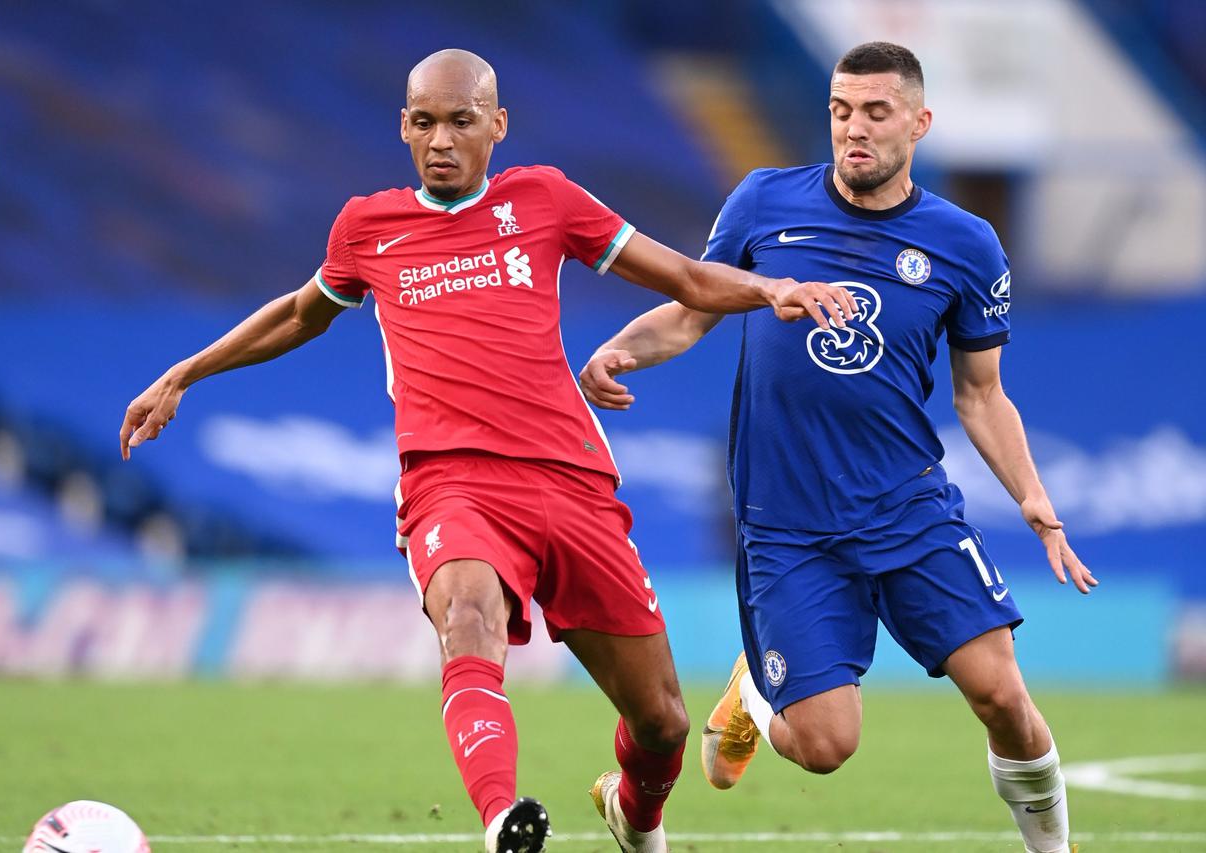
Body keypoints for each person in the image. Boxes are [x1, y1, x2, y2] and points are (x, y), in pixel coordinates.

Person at [118, 49, 852, 853]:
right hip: (451, 482)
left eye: (461, 121)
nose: (441, 139)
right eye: (424, 121)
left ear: (496, 125)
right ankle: (505, 817)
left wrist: (769, 288)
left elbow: (683, 275)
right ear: (402, 126)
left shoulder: (545, 200)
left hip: (571, 481)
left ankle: (636, 816)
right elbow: (299, 313)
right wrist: (184, 373)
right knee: (468, 618)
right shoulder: (367, 226)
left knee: (662, 720)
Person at [579, 42, 1097, 853]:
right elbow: (690, 308)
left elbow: (981, 393)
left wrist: (1034, 499)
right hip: (787, 525)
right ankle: (757, 697)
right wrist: (620, 349)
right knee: (825, 748)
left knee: (1001, 694)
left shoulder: (965, 245)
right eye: (841, 111)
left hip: (908, 506)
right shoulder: (762, 202)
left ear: (920, 124)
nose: (854, 129)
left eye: (876, 113)